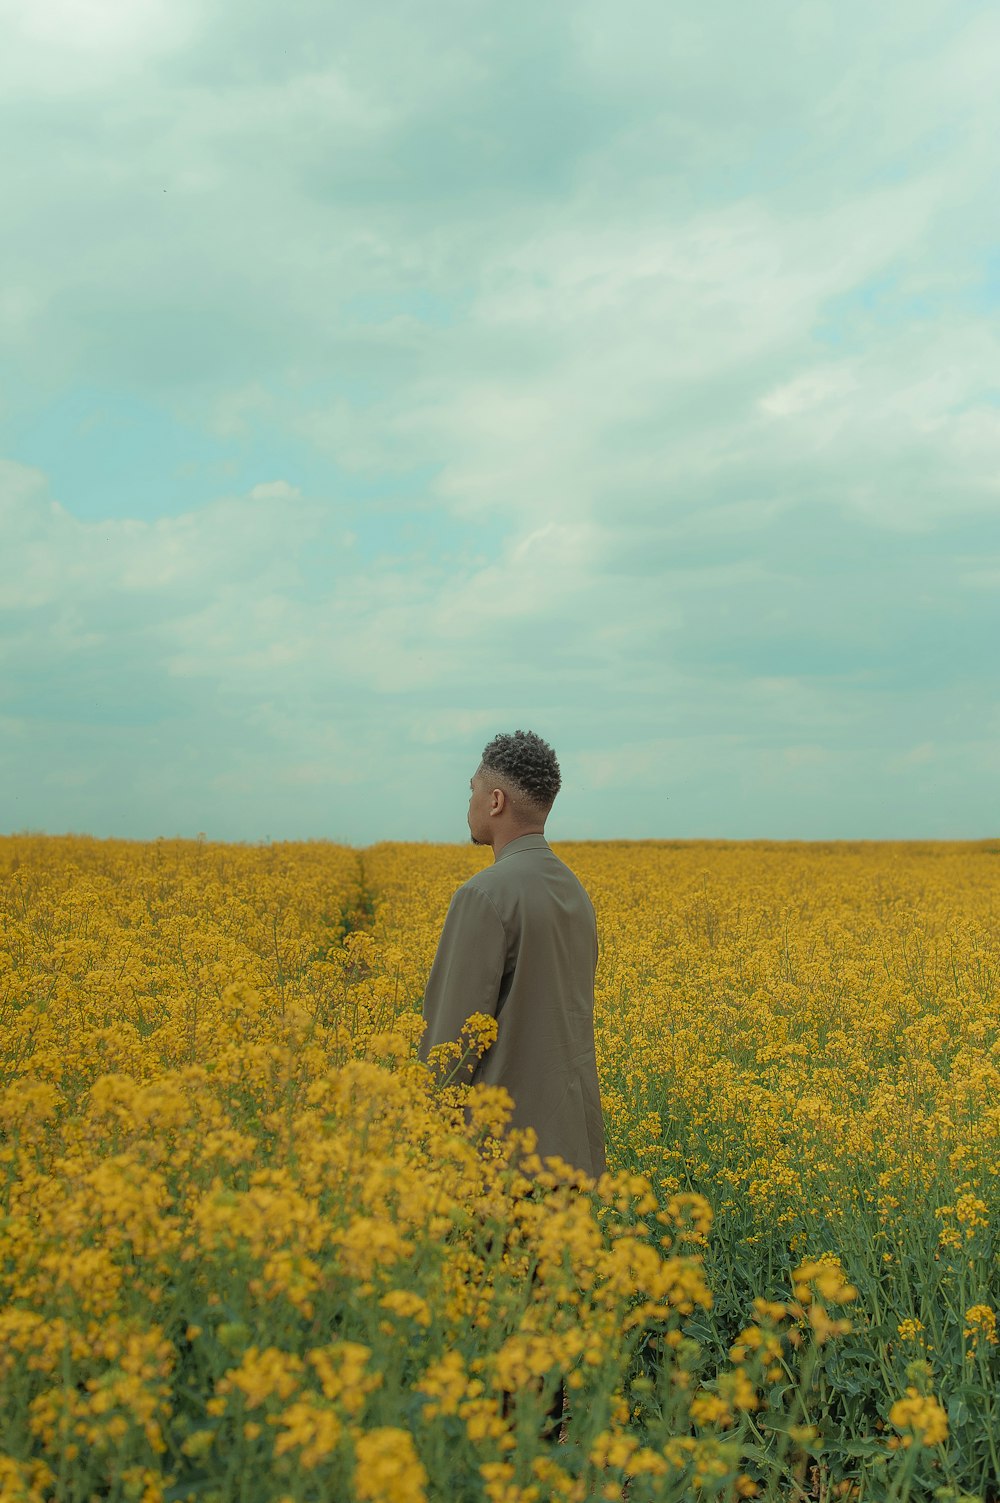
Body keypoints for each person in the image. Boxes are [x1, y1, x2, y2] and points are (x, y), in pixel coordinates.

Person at [418, 729, 606, 1181]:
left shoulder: (483, 895)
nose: (469, 804)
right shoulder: (575, 892)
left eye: (472, 792)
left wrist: (422, 1135)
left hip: (500, 1159)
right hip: (572, 1152)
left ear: (495, 801)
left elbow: (451, 1043)